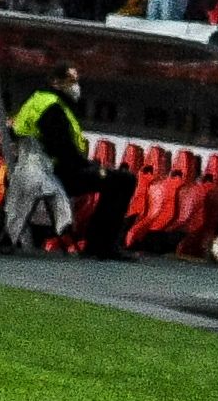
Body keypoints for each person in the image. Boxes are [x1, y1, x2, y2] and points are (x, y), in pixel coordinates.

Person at [7, 63, 131, 258]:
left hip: (37, 170)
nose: (76, 85)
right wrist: (94, 167)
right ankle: (100, 246)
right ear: (56, 82)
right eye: (71, 81)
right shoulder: (52, 108)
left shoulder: (41, 100)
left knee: (116, 179)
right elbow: (62, 150)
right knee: (123, 180)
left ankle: (99, 244)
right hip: (54, 173)